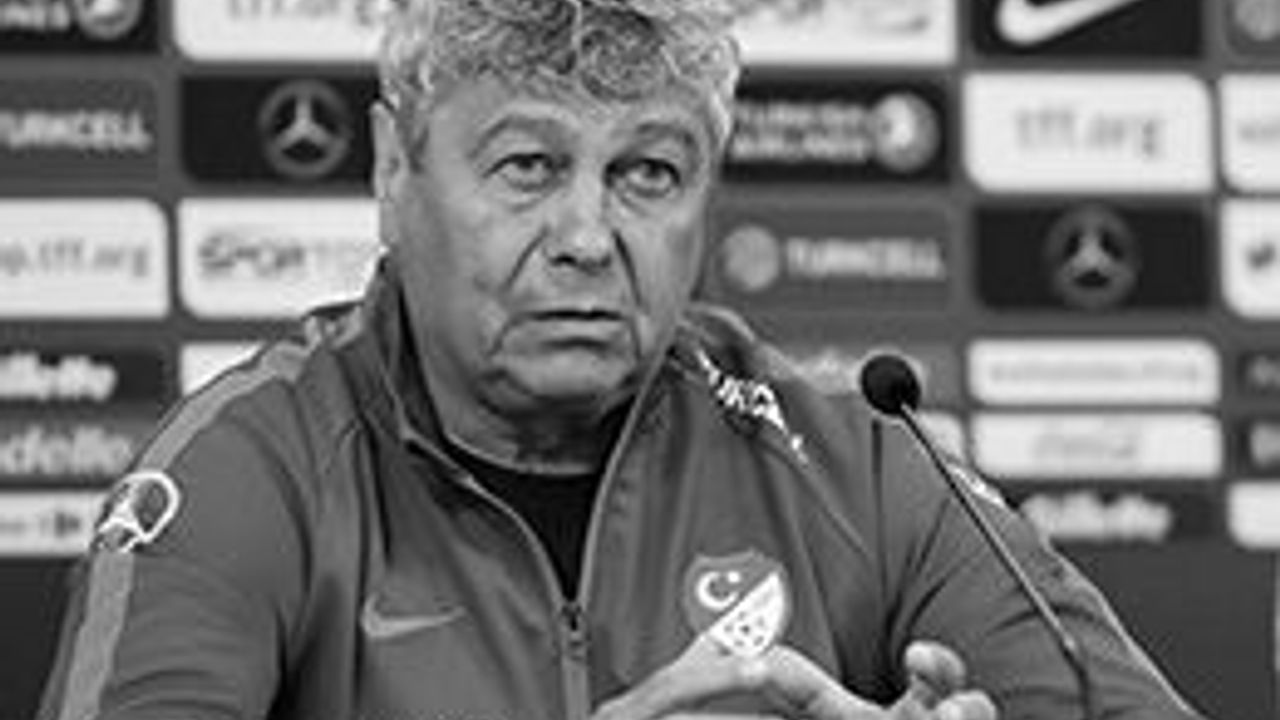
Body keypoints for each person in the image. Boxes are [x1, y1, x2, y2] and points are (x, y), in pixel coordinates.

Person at [37, 1, 1204, 719]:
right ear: (393, 171)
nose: (588, 238)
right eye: (528, 167)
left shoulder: (857, 464)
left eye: (646, 172)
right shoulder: (250, 463)